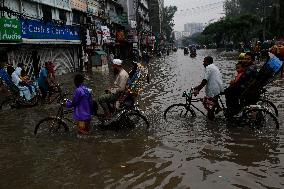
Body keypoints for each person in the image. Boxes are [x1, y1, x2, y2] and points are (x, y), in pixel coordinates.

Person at [193, 56, 224, 120]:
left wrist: (198, 89)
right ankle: (218, 109)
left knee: (210, 109)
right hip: (217, 88)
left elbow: (205, 80)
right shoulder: (214, 67)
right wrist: (198, 87)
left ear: (208, 62)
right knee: (212, 104)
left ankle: (211, 124)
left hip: (213, 90)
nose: (203, 63)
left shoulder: (208, 67)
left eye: (204, 61)